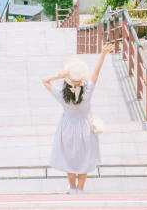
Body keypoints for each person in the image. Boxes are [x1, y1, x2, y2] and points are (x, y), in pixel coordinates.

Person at [41, 43, 114, 194]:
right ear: (82, 80)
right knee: (84, 159)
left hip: (67, 128)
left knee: (70, 159)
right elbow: (96, 72)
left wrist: (60, 75)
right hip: (85, 129)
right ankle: (80, 190)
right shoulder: (87, 92)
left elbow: (44, 81)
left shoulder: (62, 95)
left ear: (67, 81)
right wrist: (103, 54)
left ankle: (72, 188)